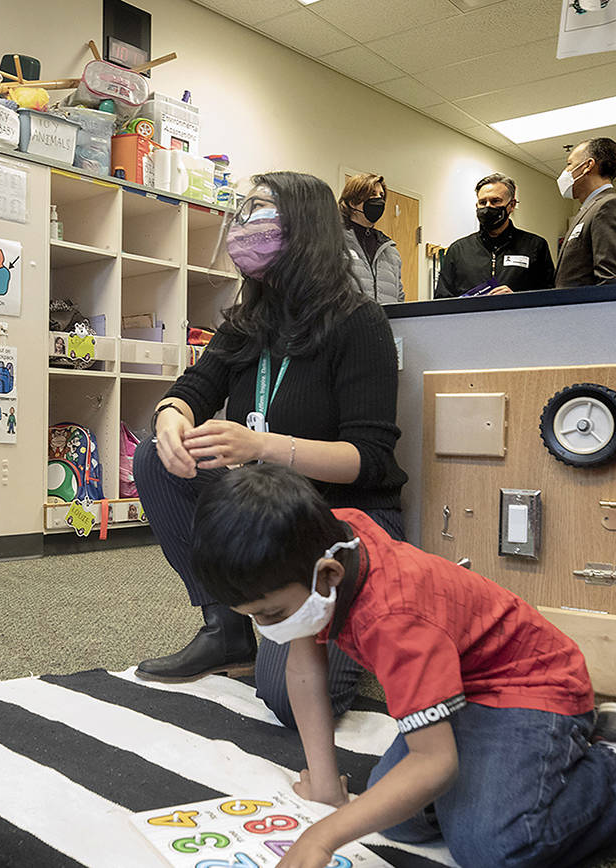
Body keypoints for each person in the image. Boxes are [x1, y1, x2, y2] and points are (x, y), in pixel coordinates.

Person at [192, 464, 616, 868]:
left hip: (531, 688)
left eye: (271, 614)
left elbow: (436, 763)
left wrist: (325, 835)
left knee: (493, 850)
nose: (267, 629)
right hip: (462, 687)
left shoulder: (394, 617)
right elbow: (304, 666)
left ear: (328, 576)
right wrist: (325, 783)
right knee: (398, 820)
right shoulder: (332, 537)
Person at [132, 171, 409, 728]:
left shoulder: (360, 323)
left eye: (258, 209)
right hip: (266, 506)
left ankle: (344, 619)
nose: (242, 223)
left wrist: (262, 444)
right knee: (151, 458)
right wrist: (170, 417)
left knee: (290, 701)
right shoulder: (248, 322)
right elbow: (192, 390)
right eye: (243, 210)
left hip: (337, 519)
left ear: (303, 227)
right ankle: (227, 629)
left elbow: (370, 459)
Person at [434, 173, 555, 298]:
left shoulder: (535, 246)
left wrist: (517, 299)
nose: (488, 207)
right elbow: (441, 299)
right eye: (482, 202)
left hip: (518, 316)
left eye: (495, 201)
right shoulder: (458, 249)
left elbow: (550, 296)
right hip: (470, 317)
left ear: (512, 205)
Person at [554, 137, 616, 288]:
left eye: (569, 164)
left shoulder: (610, 205)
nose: (566, 171)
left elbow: (612, 282)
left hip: (587, 311)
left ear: (588, 165)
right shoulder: (589, 209)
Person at [338, 173, 403, 305]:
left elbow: (399, 298)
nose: (379, 200)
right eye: (373, 194)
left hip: (384, 324)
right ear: (353, 202)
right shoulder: (334, 242)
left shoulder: (390, 250)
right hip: (348, 324)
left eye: (381, 195)